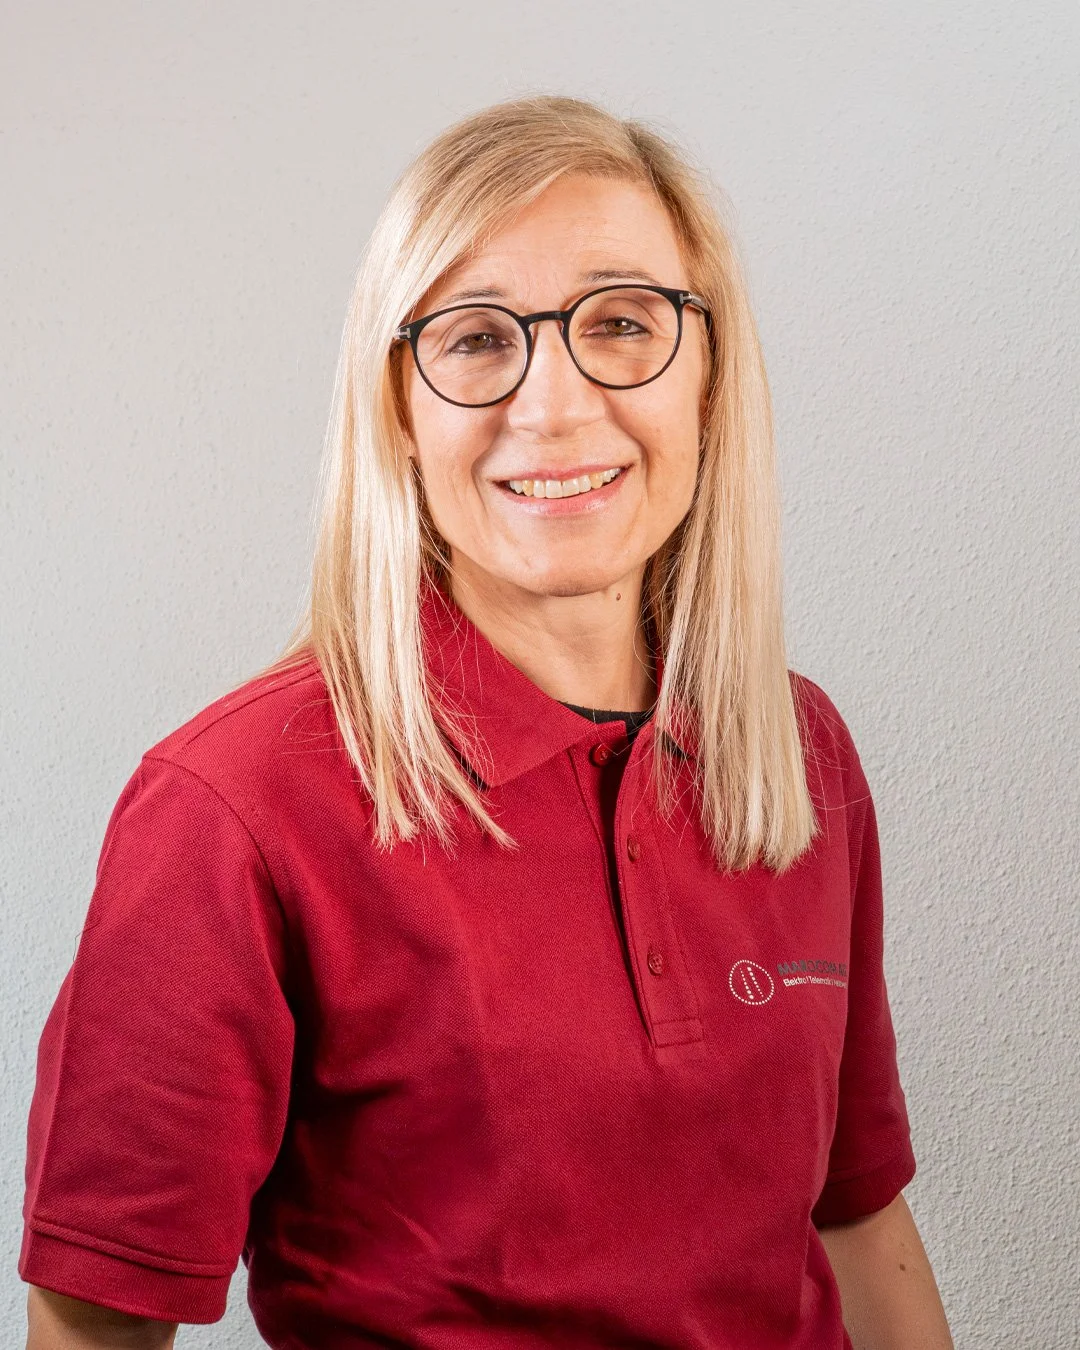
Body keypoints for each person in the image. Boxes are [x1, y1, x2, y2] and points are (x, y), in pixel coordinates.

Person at [21, 95, 954, 1350]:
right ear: (398, 407)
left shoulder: (796, 749)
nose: (555, 407)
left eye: (624, 323)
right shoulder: (231, 806)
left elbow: (857, 1222)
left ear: (711, 376)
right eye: (475, 340)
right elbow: (96, 1325)